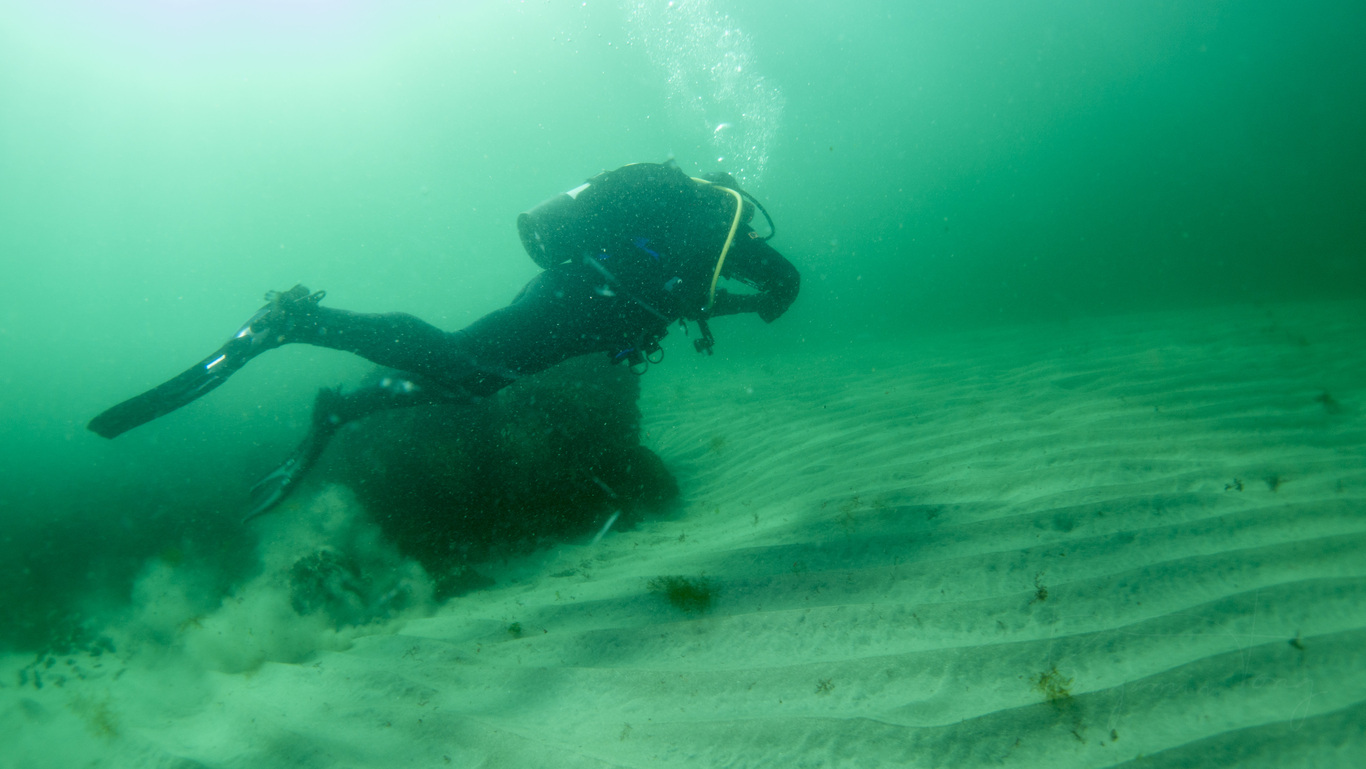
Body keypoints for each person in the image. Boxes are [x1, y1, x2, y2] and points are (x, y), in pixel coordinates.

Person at [88, 162, 800, 519]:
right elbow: (771, 284)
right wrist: (750, 298)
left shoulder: (678, 226)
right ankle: (300, 322)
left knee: (470, 378)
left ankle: (345, 405)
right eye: (740, 234)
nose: (742, 242)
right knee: (464, 361)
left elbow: (717, 290)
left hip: (573, 299)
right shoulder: (708, 228)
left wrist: (741, 298)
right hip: (578, 306)